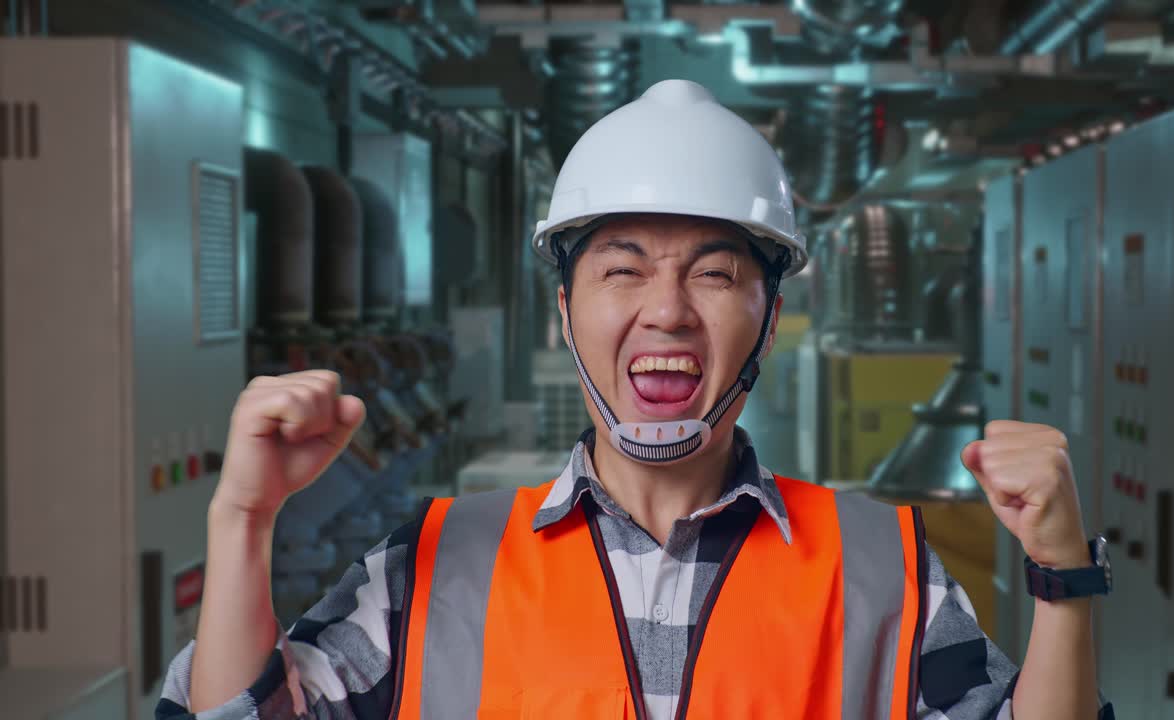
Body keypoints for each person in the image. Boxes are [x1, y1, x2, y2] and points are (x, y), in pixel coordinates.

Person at [159, 80, 1113, 719]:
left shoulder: (886, 570)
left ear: (769, 317)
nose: (667, 310)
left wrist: (1063, 582)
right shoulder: (429, 569)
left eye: (713, 273)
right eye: (623, 270)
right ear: (565, 312)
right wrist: (244, 520)